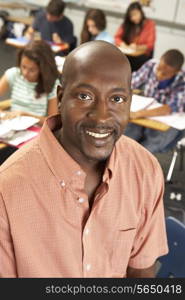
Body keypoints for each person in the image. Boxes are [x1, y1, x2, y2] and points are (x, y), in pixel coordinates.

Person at [0, 41, 168, 278]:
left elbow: (141, 272)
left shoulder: (145, 170)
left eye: (117, 99)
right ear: (60, 98)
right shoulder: (7, 190)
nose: (101, 117)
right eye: (84, 95)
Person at [125, 49, 185, 153]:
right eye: (159, 69)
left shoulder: (182, 81)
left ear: (177, 72)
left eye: (165, 74)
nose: (159, 75)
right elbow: (130, 83)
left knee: (148, 148)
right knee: (126, 137)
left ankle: (135, 164)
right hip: (144, 114)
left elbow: (169, 108)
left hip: (169, 121)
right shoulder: (151, 65)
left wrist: (139, 113)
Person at [0, 39, 59, 125]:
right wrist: (3, 114)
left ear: (43, 69)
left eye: (32, 70)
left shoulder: (52, 84)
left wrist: (26, 115)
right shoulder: (14, 74)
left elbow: (52, 122)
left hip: (36, 131)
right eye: (23, 67)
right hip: (12, 127)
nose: (25, 73)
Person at [114, 1, 156, 71]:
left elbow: (150, 45)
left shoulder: (150, 24)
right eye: (131, 16)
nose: (133, 18)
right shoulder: (128, 24)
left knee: (131, 63)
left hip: (142, 55)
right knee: (116, 58)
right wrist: (123, 44)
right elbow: (117, 37)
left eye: (135, 14)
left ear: (141, 12)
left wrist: (137, 47)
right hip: (128, 52)